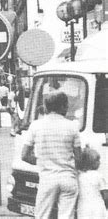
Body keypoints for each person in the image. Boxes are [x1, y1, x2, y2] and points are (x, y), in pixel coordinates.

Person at [21, 91, 81, 219]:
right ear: (62, 107)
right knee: (67, 216)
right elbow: (79, 158)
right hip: (68, 178)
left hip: (47, 179)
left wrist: (41, 161)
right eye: (66, 105)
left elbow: (24, 155)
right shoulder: (72, 126)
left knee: (42, 215)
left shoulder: (36, 126)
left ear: (47, 107)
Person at [77, 147, 108, 218]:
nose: (100, 162)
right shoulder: (99, 175)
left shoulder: (79, 176)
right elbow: (105, 194)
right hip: (98, 207)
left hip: (83, 207)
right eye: (97, 160)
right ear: (91, 162)